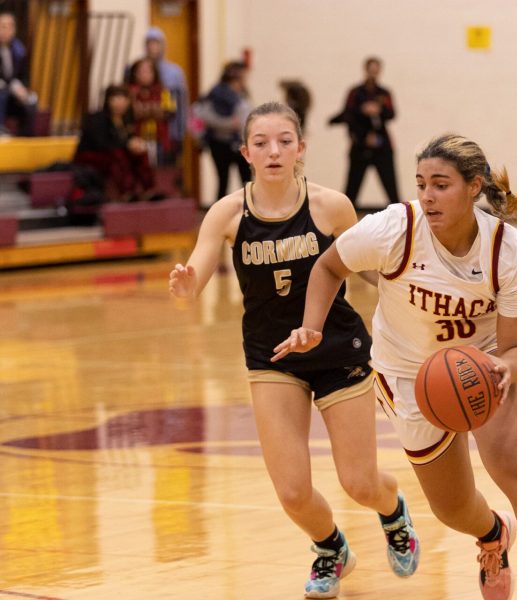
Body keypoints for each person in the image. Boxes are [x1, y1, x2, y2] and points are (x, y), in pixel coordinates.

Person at [274, 134, 517, 600]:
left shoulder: (507, 251)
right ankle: (493, 534)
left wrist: (505, 370)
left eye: (441, 184)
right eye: (422, 183)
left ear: (473, 187)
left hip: (488, 363)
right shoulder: (394, 228)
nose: (427, 195)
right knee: (452, 508)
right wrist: (311, 327)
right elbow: (328, 267)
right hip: (408, 373)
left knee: (514, 462)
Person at [168, 101, 420, 599]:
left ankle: (393, 512)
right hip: (272, 356)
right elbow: (195, 274)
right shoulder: (226, 213)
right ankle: (330, 549)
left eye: (284, 140)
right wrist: (185, 284)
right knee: (291, 492)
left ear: (301, 148)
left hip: (337, 348)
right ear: (245, 153)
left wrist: (406, 283)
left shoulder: (331, 206)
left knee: (360, 483)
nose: (274, 151)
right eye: (261, 143)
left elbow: (367, 268)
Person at [329, 56, 400, 206]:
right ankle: (344, 222)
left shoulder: (384, 93)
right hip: (360, 145)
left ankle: (402, 222)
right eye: (371, 70)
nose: (373, 73)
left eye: (376, 70)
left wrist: (378, 109)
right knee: (351, 189)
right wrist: (362, 110)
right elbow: (347, 114)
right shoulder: (355, 92)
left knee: (392, 188)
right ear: (365, 70)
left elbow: (392, 114)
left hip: (381, 145)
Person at [73, 84, 155, 202]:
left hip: (115, 151)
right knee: (118, 155)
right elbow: (101, 143)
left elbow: (128, 139)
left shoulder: (127, 119)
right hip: (91, 155)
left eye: (123, 99)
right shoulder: (96, 118)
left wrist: (136, 144)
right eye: (115, 98)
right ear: (108, 101)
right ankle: (126, 193)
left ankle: (148, 190)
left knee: (140, 153)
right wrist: (127, 145)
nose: (119, 102)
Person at [196, 61, 252, 202]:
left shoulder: (241, 95)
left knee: (247, 181)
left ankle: (252, 213)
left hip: (240, 143)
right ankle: (220, 217)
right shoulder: (216, 95)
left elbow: (243, 121)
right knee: (223, 181)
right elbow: (200, 116)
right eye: (243, 77)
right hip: (219, 143)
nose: (245, 80)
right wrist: (228, 124)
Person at [139, 26, 188, 166]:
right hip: (143, 133)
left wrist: (180, 132)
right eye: (149, 43)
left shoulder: (174, 72)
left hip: (169, 133)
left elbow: (181, 104)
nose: (152, 47)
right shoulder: (137, 68)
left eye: (156, 43)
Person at [126, 57, 175, 166]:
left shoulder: (163, 91)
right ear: (134, 74)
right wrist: (154, 110)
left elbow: (169, 112)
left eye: (148, 71)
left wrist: (144, 110)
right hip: (136, 138)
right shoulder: (129, 92)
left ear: (154, 73)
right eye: (141, 72)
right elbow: (131, 113)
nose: (144, 75)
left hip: (159, 139)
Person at [0, 11, 37, 136]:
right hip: (2, 90)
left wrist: (23, 88)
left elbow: (23, 75)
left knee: (31, 99)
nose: (7, 30)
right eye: (3, 26)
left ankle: (26, 134)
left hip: (11, 88)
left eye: (11, 26)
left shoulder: (18, 49)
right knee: (2, 91)